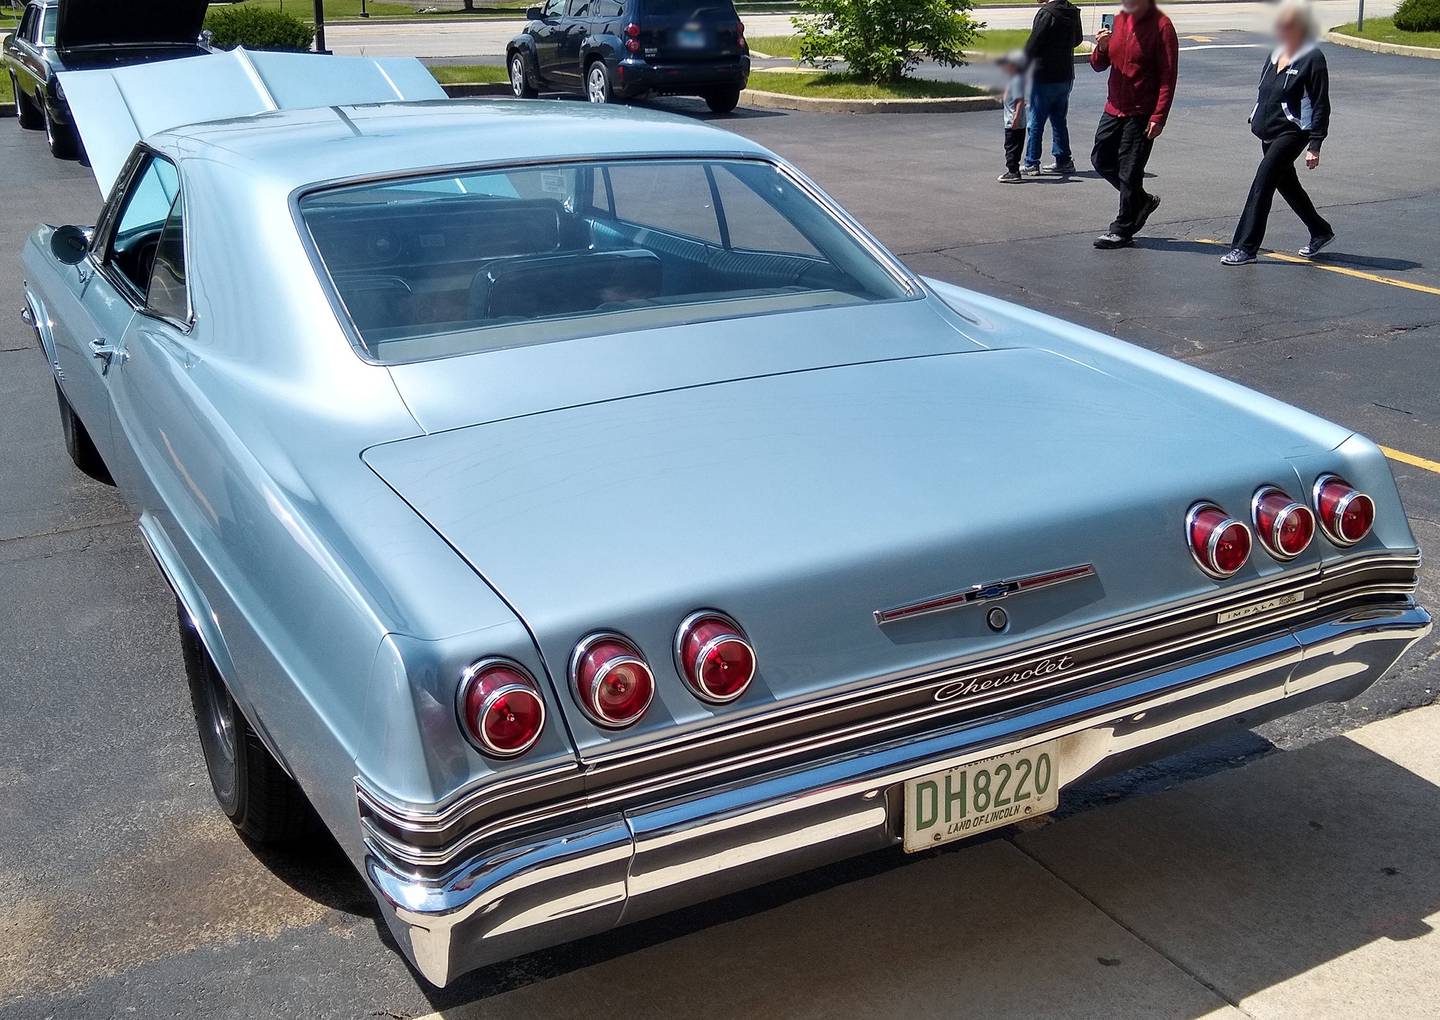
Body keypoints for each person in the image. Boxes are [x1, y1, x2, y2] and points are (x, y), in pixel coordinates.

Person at [1220, 0, 1333, 266]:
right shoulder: (1274, 54)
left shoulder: (1312, 58)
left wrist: (1315, 144)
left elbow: (1321, 103)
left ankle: (1245, 247)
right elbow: (1266, 92)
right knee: (1288, 186)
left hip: (1292, 133)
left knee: (1262, 183)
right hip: (1268, 133)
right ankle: (1320, 230)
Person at [1088, 0, 1179, 249]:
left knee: (1130, 171)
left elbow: (1168, 77)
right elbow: (1098, 65)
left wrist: (1159, 116)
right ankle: (1141, 200)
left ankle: (1122, 229)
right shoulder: (1118, 21)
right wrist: (1102, 48)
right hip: (1114, 107)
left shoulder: (1161, 26)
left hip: (1141, 111)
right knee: (1101, 160)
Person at [1021, 0, 1084, 175]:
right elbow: (1077, 39)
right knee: (1058, 120)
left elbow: (1033, 43)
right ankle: (1063, 159)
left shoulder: (1046, 13)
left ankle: (1032, 162)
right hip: (1065, 74)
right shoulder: (1072, 11)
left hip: (1044, 75)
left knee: (1036, 121)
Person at [997, 51, 1029, 183]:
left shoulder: (1016, 80)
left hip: (1013, 121)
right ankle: (1013, 170)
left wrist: (1015, 119)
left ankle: (1013, 172)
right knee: (1013, 146)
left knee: (1011, 146)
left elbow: (1020, 101)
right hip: (1014, 121)